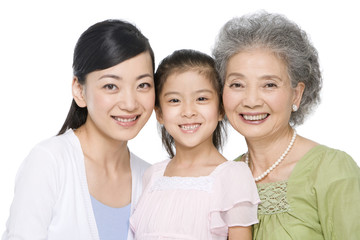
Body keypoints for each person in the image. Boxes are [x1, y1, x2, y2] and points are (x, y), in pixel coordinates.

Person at [212, 11, 360, 239]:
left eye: (269, 85)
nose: (251, 101)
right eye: (237, 84)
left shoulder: (332, 170)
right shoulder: (222, 176)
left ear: (296, 94)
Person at [2, 19, 155, 240]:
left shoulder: (151, 178)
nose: (130, 103)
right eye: (111, 86)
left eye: (143, 85)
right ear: (79, 91)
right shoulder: (49, 162)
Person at [130, 49, 260, 240]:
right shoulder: (152, 176)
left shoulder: (233, 175)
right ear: (159, 113)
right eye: (174, 100)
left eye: (201, 99)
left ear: (220, 109)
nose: (188, 111)